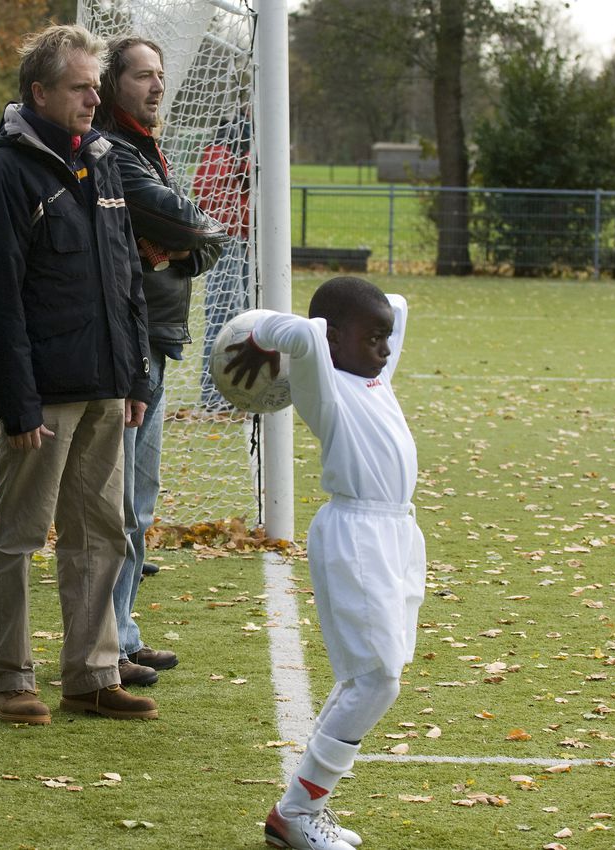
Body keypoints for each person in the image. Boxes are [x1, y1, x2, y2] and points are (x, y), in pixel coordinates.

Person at [0, 24, 159, 725]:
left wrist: (135, 376)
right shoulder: (3, 172)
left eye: (95, 86)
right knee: (17, 537)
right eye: (80, 87)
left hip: (107, 387)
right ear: (39, 92)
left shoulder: (101, 159)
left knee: (103, 533)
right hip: (43, 396)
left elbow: (127, 277)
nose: (93, 99)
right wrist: (17, 403)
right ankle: (10, 679)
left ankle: (93, 674)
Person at [224, 277, 424, 850]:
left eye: (387, 338)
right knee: (377, 681)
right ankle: (296, 813)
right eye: (373, 338)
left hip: (397, 533)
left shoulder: (372, 373)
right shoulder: (325, 383)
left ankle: (303, 809)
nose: (385, 348)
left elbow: (394, 307)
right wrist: (262, 339)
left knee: (372, 677)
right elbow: (294, 331)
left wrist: (370, 327)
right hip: (356, 533)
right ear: (334, 338)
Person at [93, 36, 228, 686]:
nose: (156, 86)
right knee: (118, 502)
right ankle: (105, 644)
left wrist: (175, 247)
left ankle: (123, 632)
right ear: (110, 85)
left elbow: (205, 236)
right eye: (142, 75)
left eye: (160, 74)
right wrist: (183, 240)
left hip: (156, 339)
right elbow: (197, 227)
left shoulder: (149, 150)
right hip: (125, 342)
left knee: (139, 501)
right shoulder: (114, 151)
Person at [194, 114, 252, 409]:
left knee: (244, 317)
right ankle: (213, 394)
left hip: (243, 241)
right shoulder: (221, 154)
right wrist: (244, 168)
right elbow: (209, 195)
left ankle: (234, 391)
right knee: (223, 318)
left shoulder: (231, 153)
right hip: (228, 241)